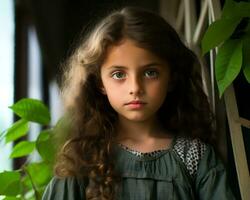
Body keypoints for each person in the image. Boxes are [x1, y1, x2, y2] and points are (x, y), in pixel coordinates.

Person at [42, 6, 235, 200]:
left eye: (150, 73)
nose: (135, 87)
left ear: (172, 77)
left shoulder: (194, 157)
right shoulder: (84, 158)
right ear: (100, 82)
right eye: (119, 74)